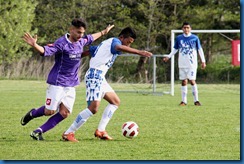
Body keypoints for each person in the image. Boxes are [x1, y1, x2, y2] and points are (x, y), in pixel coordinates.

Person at [20, 18, 114, 141]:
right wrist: (35, 45)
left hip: (71, 84)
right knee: (50, 111)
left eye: (82, 33)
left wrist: (103, 32)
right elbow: (45, 51)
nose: (81, 35)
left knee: (64, 113)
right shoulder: (61, 43)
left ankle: (38, 131)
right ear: (71, 30)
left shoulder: (81, 41)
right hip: (58, 82)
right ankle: (33, 113)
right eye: (78, 32)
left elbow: (90, 37)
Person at [62, 27, 153, 142]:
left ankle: (101, 130)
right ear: (121, 38)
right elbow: (118, 47)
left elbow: (90, 51)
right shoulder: (115, 41)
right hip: (94, 75)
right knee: (93, 109)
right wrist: (139, 52)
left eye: (131, 44)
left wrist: (73, 56)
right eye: (128, 42)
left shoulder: (105, 44)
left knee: (115, 102)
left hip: (100, 77)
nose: (128, 46)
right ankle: (69, 132)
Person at [163, 22, 206, 106]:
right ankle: (184, 101)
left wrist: (203, 61)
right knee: (183, 81)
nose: (186, 29)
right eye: (184, 28)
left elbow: (199, 50)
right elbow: (175, 49)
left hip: (192, 64)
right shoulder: (179, 38)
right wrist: (169, 56)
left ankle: (196, 100)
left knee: (192, 81)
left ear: (190, 29)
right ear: (182, 29)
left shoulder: (195, 38)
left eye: (188, 28)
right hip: (182, 63)